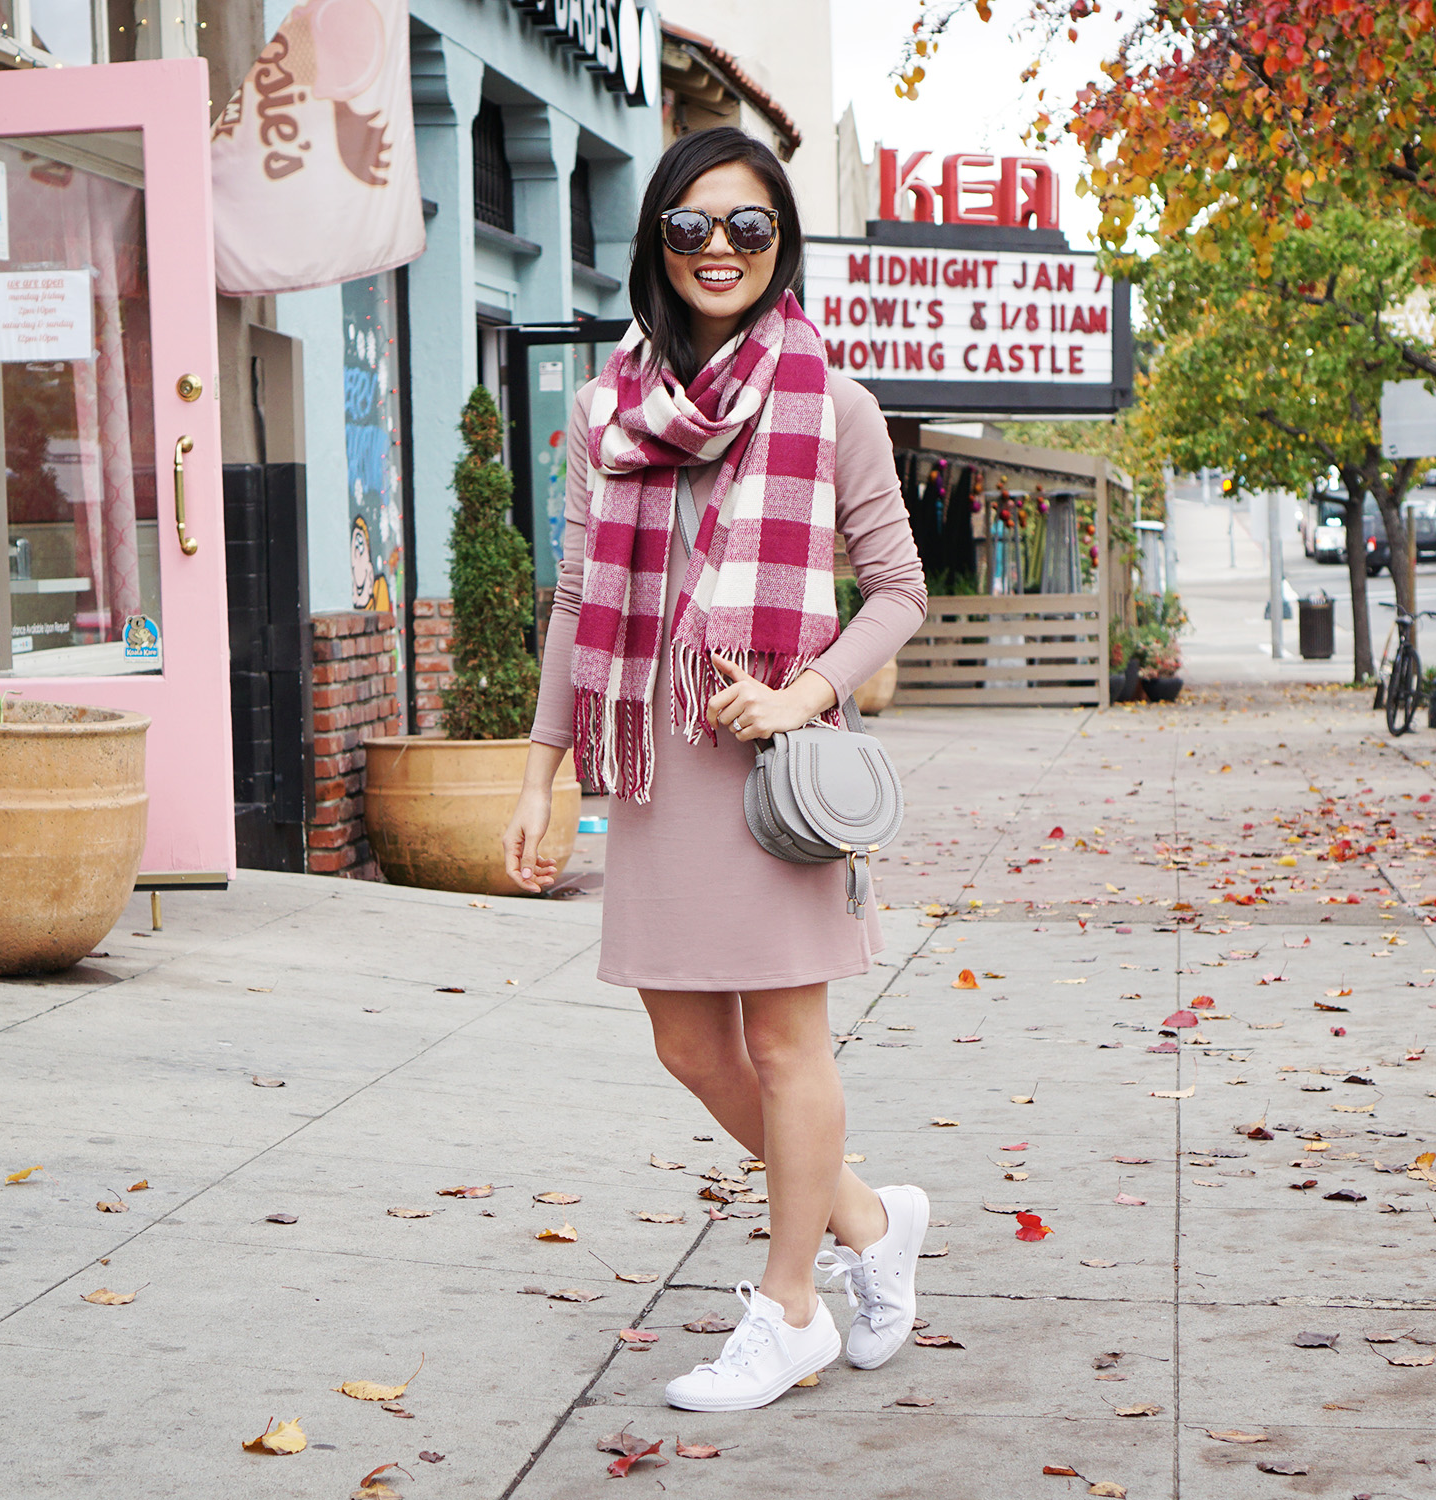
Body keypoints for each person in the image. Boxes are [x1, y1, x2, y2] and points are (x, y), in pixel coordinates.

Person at [501, 127, 929, 1413]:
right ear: (657, 245)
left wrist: (801, 693)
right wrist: (540, 771)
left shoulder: (830, 405)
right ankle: (870, 1217)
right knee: (688, 1044)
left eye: (748, 228)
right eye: (691, 227)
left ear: (780, 245)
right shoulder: (603, 413)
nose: (720, 251)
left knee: (788, 1043)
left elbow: (898, 593)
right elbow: (578, 599)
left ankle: (788, 1304)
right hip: (648, 765)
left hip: (767, 776)